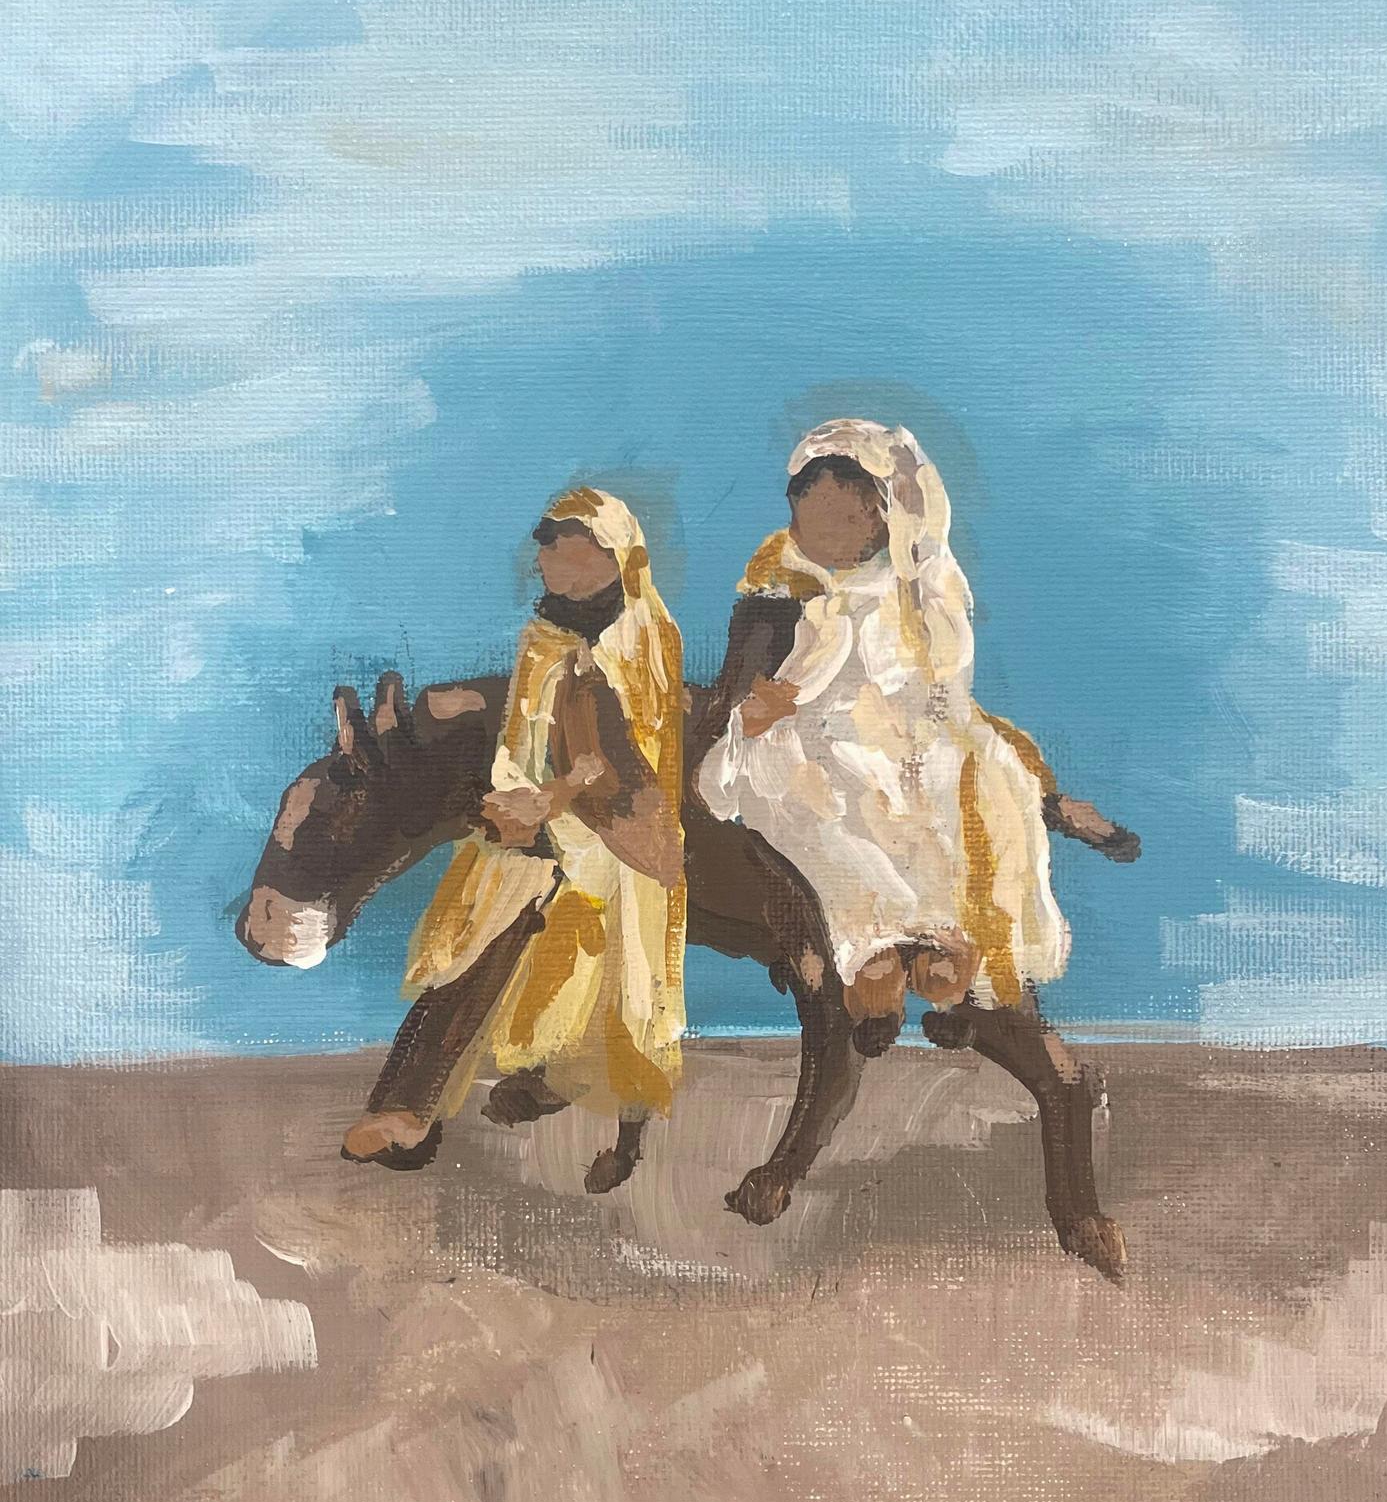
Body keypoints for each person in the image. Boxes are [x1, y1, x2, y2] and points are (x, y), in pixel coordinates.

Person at [697, 418, 1122, 1053]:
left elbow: (943, 690)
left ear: (884, 517)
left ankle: (949, 968)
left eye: (845, 519)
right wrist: (760, 709)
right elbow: (765, 679)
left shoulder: (920, 591)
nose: (823, 534)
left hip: (902, 734)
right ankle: (875, 961)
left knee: (959, 800)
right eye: (809, 517)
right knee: (828, 820)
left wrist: (928, 736)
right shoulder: (785, 584)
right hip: (811, 738)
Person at [340, 487, 686, 1192]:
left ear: (616, 559)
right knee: (464, 952)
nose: (559, 564)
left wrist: (550, 798)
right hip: (529, 822)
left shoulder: (640, 638)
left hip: (608, 836)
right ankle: (406, 1109)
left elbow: (619, 755)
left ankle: (615, 1134)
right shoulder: (543, 637)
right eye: (552, 551)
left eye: (577, 551)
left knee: (618, 990)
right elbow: (527, 719)